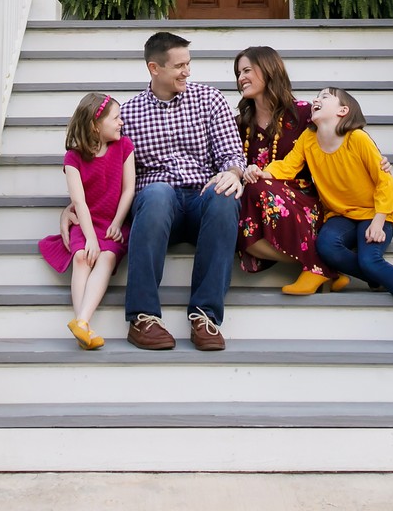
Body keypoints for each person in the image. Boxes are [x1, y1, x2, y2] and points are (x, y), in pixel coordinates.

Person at [250, 87, 393, 349]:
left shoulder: (357, 138)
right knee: (326, 247)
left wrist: (379, 220)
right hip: (341, 215)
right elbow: (288, 166)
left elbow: (385, 181)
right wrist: (262, 173)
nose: (317, 100)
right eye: (317, 97)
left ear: (343, 110)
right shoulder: (308, 138)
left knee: (370, 260)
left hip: (374, 213)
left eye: (325, 97)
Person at [117, 31, 245, 352]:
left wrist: (232, 173)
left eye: (189, 63)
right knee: (157, 192)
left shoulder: (209, 100)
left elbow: (231, 154)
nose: (187, 71)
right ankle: (143, 317)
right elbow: (109, 169)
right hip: (160, 209)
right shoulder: (129, 114)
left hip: (202, 199)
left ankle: (205, 316)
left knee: (224, 194)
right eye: (179, 66)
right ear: (154, 68)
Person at [37, 92, 135, 350]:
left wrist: (117, 222)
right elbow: (79, 202)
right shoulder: (73, 158)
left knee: (106, 257)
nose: (121, 122)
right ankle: (83, 326)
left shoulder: (125, 146)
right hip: (86, 221)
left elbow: (129, 190)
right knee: (81, 257)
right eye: (116, 118)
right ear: (95, 124)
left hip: (114, 222)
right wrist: (90, 237)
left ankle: (81, 321)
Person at [231, 45, 330, 295]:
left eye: (246, 70)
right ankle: (322, 265)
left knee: (257, 188)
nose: (241, 78)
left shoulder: (305, 113)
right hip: (257, 203)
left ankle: (322, 267)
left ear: (269, 69)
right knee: (239, 228)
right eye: (238, 73)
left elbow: (345, 136)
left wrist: (377, 158)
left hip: (303, 200)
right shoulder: (240, 124)